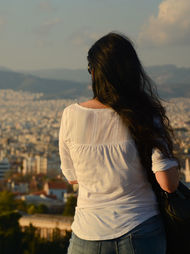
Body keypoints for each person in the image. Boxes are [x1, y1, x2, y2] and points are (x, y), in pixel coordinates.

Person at [59, 32, 179, 254]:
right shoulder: (144, 115)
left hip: (87, 234)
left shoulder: (70, 115)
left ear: (94, 73)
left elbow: (73, 177)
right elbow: (168, 183)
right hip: (139, 228)